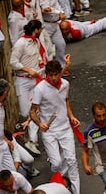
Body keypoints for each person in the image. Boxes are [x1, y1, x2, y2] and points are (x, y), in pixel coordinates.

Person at [29, 60, 81, 194]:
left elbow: (66, 101)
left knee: (72, 162)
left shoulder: (65, 84)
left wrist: (72, 116)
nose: (53, 78)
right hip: (49, 132)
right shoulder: (40, 88)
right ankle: (59, 184)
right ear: (47, 74)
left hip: (65, 129)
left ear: (59, 73)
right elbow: (32, 111)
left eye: (56, 74)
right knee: (57, 164)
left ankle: (74, 191)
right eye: (50, 75)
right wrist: (40, 124)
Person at [10, 20, 48, 155]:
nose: (41, 32)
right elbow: (13, 62)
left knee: (34, 111)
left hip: (35, 81)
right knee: (26, 113)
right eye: (40, 30)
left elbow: (38, 57)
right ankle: (29, 138)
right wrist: (28, 70)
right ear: (35, 30)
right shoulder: (20, 44)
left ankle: (32, 141)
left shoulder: (36, 42)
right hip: (23, 82)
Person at [36, 0, 67, 68]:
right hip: (47, 25)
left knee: (61, 44)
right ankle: (48, 69)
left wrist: (61, 12)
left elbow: (56, 4)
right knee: (47, 49)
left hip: (54, 23)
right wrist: (59, 13)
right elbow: (46, 8)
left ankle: (61, 66)